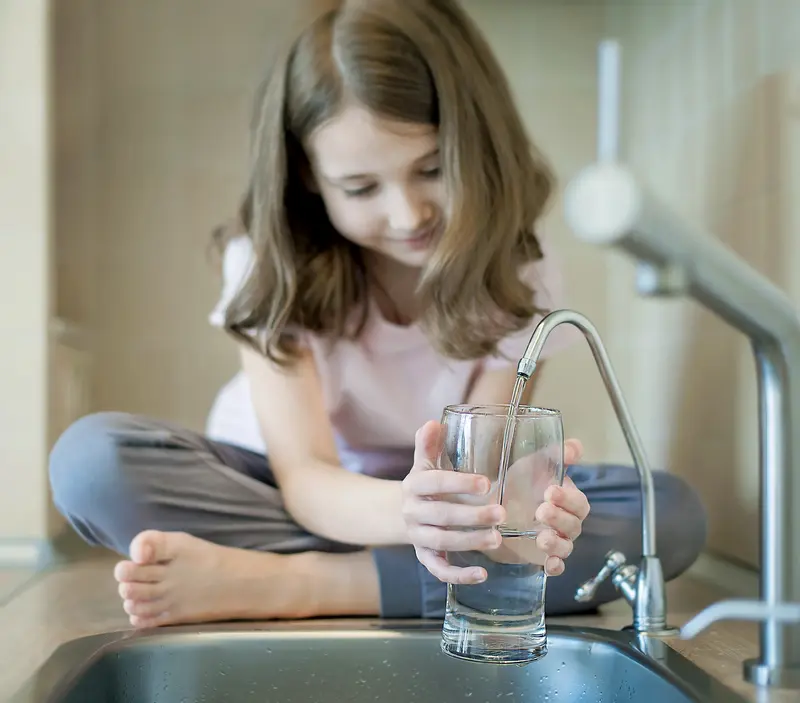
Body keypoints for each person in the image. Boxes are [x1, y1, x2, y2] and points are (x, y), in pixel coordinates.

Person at [48, 0, 707, 629]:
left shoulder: (517, 272)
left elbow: (489, 467)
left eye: (431, 169)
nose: (408, 213)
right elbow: (305, 477)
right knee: (91, 463)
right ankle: (386, 577)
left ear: (475, 144)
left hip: (434, 510)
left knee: (664, 514)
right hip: (283, 493)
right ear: (308, 176)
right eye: (362, 188)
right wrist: (420, 516)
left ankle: (285, 582)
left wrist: (528, 513)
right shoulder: (267, 260)